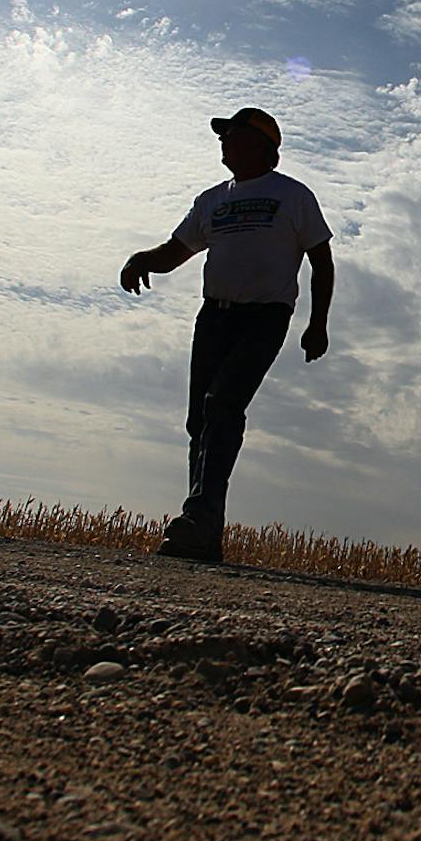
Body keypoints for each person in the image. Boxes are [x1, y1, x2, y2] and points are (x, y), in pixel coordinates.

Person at [119, 106, 333, 562]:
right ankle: (205, 533)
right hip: (213, 317)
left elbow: (323, 261)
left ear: (260, 144)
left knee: (223, 405)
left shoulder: (293, 196)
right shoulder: (212, 200)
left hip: (266, 318)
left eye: (231, 134)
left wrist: (318, 324)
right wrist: (141, 258)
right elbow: (176, 252)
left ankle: (196, 516)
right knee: (200, 420)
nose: (223, 141)